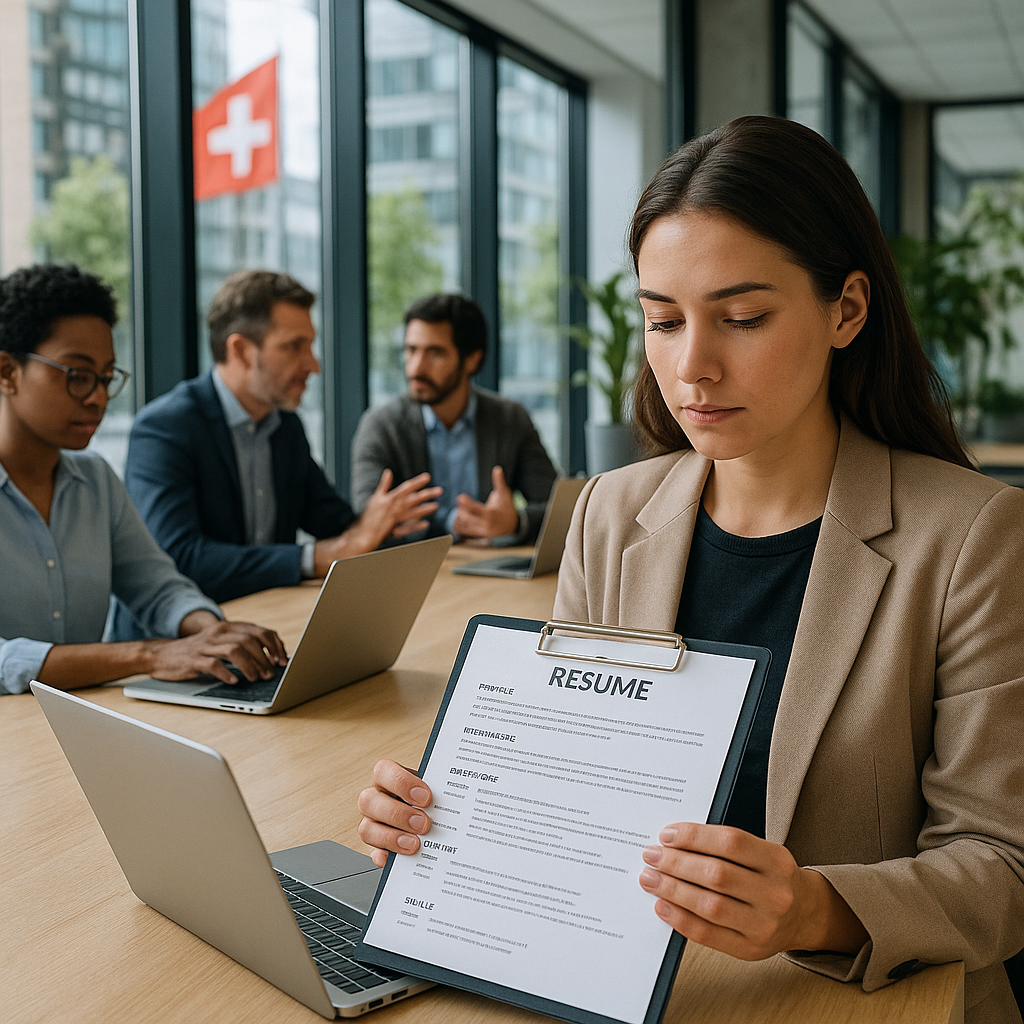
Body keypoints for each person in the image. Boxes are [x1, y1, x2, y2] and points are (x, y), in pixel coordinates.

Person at [355, 117, 1024, 1023]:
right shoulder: (610, 513)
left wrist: (816, 909)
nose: (692, 367)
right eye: (662, 321)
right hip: (627, 983)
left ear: (847, 310)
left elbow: (1000, 865)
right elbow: (570, 787)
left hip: (846, 998)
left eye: (742, 318)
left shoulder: (973, 537)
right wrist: (453, 825)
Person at [0, 263, 287, 696]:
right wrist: (150, 655)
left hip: (80, 726)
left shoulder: (95, 480)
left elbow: (158, 588)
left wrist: (212, 635)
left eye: (106, 377)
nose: (97, 397)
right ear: (7, 372)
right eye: (77, 376)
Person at [118, 271, 440, 615]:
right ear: (240, 350)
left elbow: (334, 524)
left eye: (311, 346)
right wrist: (322, 556)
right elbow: (181, 560)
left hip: (266, 620)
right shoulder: (165, 428)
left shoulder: (285, 426)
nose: (313, 365)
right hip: (175, 644)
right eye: (294, 347)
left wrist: (382, 523)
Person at [350, 293, 557, 544]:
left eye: (435, 353)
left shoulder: (510, 419)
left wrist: (515, 521)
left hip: (489, 572)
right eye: (411, 350)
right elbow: (367, 517)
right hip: (413, 574)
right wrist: (453, 525)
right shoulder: (381, 425)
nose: (416, 367)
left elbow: (558, 510)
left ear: (472, 359)